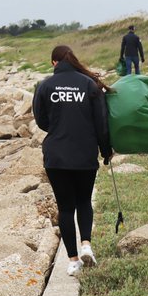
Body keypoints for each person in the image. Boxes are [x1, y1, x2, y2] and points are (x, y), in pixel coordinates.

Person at [31, 45, 112, 276]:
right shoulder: (88, 83)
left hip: (56, 155)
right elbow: (102, 123)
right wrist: (106, 151)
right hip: (85, 153)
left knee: (65, 208)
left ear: (54, 62)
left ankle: (73, 260)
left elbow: (41, 120)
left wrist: (58, 127)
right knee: (84, 201)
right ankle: (86, 244)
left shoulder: (45, 85)